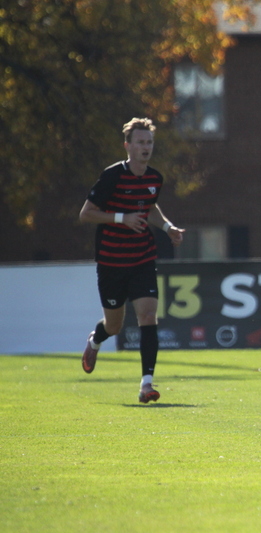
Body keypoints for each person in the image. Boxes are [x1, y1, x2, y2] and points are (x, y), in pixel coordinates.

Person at [79, 117, 185, 403]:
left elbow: (150, 207)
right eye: (140, 142)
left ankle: (146, 384)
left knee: (148, 316)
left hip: (142, 258)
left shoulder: (154, 178)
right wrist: (121, 219)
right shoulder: (112, 176)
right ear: (128, 146)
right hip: (112, 261)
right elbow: (86, 213)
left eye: (149, 142)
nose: (145, 147)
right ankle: (95, 340)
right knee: (114, 326)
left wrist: (167, 227)